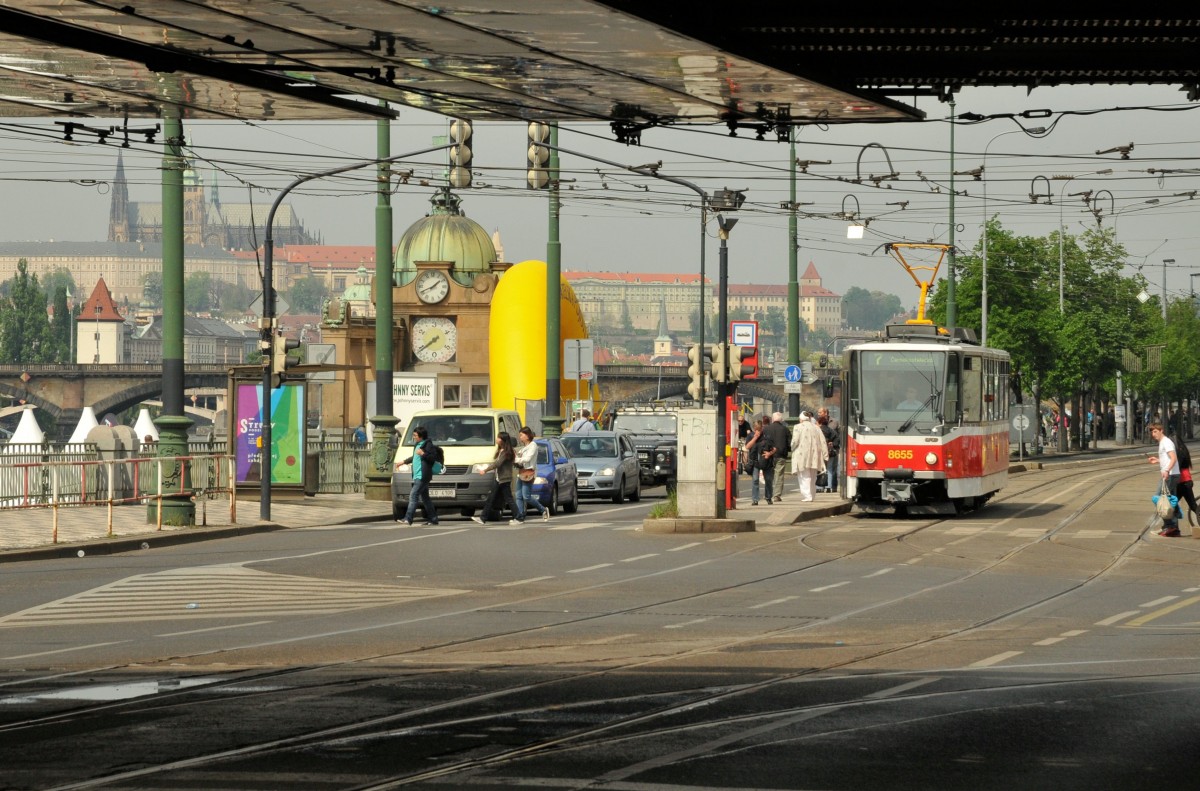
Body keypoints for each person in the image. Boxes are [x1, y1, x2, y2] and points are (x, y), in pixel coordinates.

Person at [472, 431, 518, 524]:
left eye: (498, 438)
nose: (497, 439)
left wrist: (485, 470)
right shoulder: (501, 451)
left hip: (504, 479)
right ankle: (483, 518)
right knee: (491, 498)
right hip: (499, 479)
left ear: (503, 440)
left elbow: (497, 464)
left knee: (509, 499)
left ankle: (519, 517)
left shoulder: (506, 452)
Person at [398, 426, 439, 526]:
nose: (414, 437)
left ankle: (408, 518)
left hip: (423, 475)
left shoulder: (428, 444)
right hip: (417, 475)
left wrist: (423, 453)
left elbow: (432, 458)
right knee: (425, 498)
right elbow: (415, 457)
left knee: (413, 495)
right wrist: (404, 462)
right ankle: (433, 519)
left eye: (415, 435)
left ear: (421, 436)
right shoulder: (417, 444)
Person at [1148, 422, 1181, 537]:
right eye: (1152, 431)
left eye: (1155, 431)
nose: (1153, 434)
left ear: (1162, 430)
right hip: (1171, 474)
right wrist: (1158, 460)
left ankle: (1169, 526)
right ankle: (1173, 528)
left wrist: (1166, 470)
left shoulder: (1166, 442)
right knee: (1170, 501)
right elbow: (1168, 459)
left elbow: (1173, 458)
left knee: (1159, 499)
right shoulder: (1163, 442)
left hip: (1170, 475)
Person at [790, 411, 829, 502]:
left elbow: (795, 441)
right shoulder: (816, 427)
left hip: (802, 455)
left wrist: (792, 447)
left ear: (801, 419)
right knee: (813, 476)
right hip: (815, 455)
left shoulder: (797, 427)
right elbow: (823, 441)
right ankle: (812, 494)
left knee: (804, 476)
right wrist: (825, 455)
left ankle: (807, 495)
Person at [513, 426, 549, 523]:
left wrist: (517, 459)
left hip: (528, 473)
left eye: (521, 435)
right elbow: (519, 456)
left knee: (526, 496)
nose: (520, 437)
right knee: (518, 495)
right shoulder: (524, 447)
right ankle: (520, 516)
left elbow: (528, 458)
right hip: (521, 472)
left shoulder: (533, 445)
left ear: (527, 435)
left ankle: (543, 510)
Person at [744, 418, 775, 505]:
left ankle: (768, 497)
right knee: (755, 480)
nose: (758, 431)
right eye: (756, 429)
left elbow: (775, 448)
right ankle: (755, 499)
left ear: (762, 428)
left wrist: (769, 453)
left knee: (768, 479)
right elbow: (747, 446)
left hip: (766, 461)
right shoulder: (751, 436)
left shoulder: (767, 436)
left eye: (760, 429)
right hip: (755, 461)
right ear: (754, 429)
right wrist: (755, 438)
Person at [763, 411, 791, 503]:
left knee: (769, 476)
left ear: (772, 419)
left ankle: (768, 494)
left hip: (768, 455)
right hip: (781, 455)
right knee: (779, 475)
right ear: (781, 420)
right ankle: (777, 495)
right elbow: (789, 443)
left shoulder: (766, 429)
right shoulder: (785, 429)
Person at [1174, 433, 1197, 528]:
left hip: (1184, 482)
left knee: (1193, 506)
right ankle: (1173, 527)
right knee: (1173, 504)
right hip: (1185, 481)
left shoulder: (1180, 452)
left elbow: (1177, 466)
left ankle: (1173, 527)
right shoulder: (1183, 450)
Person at [817, 408, 840, 493]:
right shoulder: (831, 430)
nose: (818, 413)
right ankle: (829, 487)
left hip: (820, 452)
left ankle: (819, 487)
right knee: (830, 469)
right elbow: (837, 437)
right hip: (831, 451)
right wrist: (833, 444)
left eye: (820, 412)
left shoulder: (818, 430)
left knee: (820, 469)